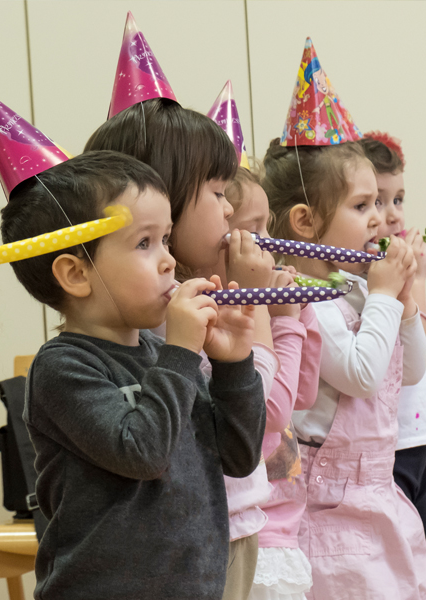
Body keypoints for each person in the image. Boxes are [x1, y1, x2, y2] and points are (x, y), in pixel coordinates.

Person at [0, 150, 267, 600]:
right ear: (75, 274)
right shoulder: (62, 367)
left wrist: (233, 364)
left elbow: (239, 459)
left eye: (166, 239)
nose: (168, 261)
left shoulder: (163, 355)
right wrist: (182, 351)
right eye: (145, 243)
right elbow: (142, 451)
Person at [86, 96, 280, 600]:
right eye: (217, 192)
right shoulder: (118, 338)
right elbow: (150, 450)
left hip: (225, 535)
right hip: (162, 564)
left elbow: (241, 450)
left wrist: (234, 354)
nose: (230, 209)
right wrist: (247, 306)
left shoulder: (187, 311)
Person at [262, 138, 426, 599]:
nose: (379, 219)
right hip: (331, 508)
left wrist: (402, 305)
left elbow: (413, 371)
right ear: (305, 221)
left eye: (379, 204)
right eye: (362, 206)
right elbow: (361, 375)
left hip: (378, 491)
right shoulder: (302, 298)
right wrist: (382, 296)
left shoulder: (357, 287)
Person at [218, 167, 322, 600]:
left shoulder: (261, 303)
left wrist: (302, 318)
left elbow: (303, 394)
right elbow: (272, 414)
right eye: (252, 230)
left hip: (282, 525)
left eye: (267, 226)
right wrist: (282, 320)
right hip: (256, 523)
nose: (269, 243)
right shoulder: (229, 311)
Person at [360, 132, 426, 598]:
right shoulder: (367, 279)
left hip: (414, 441)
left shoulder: (396, 271)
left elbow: (419, 356)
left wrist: (420, 279)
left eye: (398, 198)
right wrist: (409, 286)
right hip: (383, 451)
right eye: (375, 200)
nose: (391, 214)